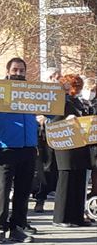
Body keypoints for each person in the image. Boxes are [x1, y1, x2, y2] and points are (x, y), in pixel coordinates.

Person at [0, 58, 38, 244]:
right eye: (15, 70)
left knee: (23, 190)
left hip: (29, 147)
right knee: (3, 189)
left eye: (21, 70)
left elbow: (51, 111)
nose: (18, 73)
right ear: (8, 70)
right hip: (7, 147)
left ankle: (18, 227)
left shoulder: (33, 93)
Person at [50, 74, 92, 227]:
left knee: (79, 179)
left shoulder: (80, 102)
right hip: (66, 146)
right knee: (66, 180)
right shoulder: (59, 101)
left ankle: (76, 216)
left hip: (80, 145)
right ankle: (61, 217)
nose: (76, 89)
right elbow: (53, 122)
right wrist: (65, 121)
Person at [33, 68, 61, 213]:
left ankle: (61, 205)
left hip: (60, 136)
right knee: (44, 169)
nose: (55, 80)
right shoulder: (37, 94)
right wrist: (39, 118)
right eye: (51, 77)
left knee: (57, 170)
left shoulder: (62, 95)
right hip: (42, 137)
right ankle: (40, 199)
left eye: (57, 77)